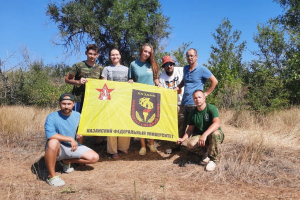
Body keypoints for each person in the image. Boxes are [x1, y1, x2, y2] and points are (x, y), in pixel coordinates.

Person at [44, 93, 99, 186]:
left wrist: (79, 137)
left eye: (69, 104)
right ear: (59, 103)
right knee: (53, 142)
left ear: (73, 104)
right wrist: (70, 139)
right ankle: (51, 176)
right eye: (64, 104)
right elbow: (50, 135)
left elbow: (81, 133)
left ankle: (67, 161)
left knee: (94, 158)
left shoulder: (78, 115)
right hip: (59, 147)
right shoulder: (52, 116)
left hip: (72, 146)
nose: (66, 106)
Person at [174, 48, 218, 143]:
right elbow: (184, 80)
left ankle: (196, 147)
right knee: (180, 125)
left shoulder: (202, 69)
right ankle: (176, 145)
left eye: (191, 56)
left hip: (195, 104)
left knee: (196, 127)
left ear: (196, 57)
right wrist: (178, 87)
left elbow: (214, 81)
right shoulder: (185, 68)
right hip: (184, 102)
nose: (189, 58)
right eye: (188, 56)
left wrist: (206, 93)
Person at [177, 90, 224, 171]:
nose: (197, 99)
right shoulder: (193, 112)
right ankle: (206, 151)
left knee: (215, 134)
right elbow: (190, 129)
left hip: (212, 134)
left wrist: (205, 134)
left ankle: (213, 160)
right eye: (195, 98)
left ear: (204, 98)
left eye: (199, 97)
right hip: (200, 136)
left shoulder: (212, 108)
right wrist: (183, 139)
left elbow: (217, 123)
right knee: (190, 145)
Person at [65, 44, 103, 144]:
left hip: (93, 99)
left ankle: (97, 138)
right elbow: (67, 79)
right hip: (78, 98)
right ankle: (77, 143)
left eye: (94, 54)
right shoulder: (78, 66)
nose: (91, 56)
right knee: (77, 120)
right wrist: (77, 82)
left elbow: (102, 83)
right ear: (86, 53)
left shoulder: (100, 68)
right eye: (90, 53)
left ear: (97, 55)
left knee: (93, 118)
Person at [128, 43, 160, 156]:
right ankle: (142, 145)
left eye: (149, 52)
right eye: (145, 51)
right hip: (139, 96)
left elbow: (155, 79)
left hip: (152, 96)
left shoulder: (153, 64)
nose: (147, 54)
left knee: (152, 120)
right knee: (141, 121)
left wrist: (159, 84)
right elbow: (131, 78)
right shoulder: (133, 64)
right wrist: (130, 81)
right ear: (141, 51)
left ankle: (151, 143)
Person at [101, 49, 131, 159]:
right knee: (112, 124)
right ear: (110, 57)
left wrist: (131, 82)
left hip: (124, 100)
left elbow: (131, 83)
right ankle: (113, 150)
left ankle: (123, 147)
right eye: (112, 55)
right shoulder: (106, 69)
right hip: (111, 101)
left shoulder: (127, 69)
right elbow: (103, 84)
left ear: (120, 55)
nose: (115, 56)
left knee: (124, 123)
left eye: (117, 54)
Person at [158, 55, 185, 150]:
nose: (169, 66)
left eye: (170, 64)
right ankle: (174, 143)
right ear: (164, 66)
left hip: (184, 101)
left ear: (173, 64)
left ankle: (181, 142)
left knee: (183, 121)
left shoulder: (181, 70)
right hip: (171, 104)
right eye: (166, 64)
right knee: (173, 123)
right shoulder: (162, 77)